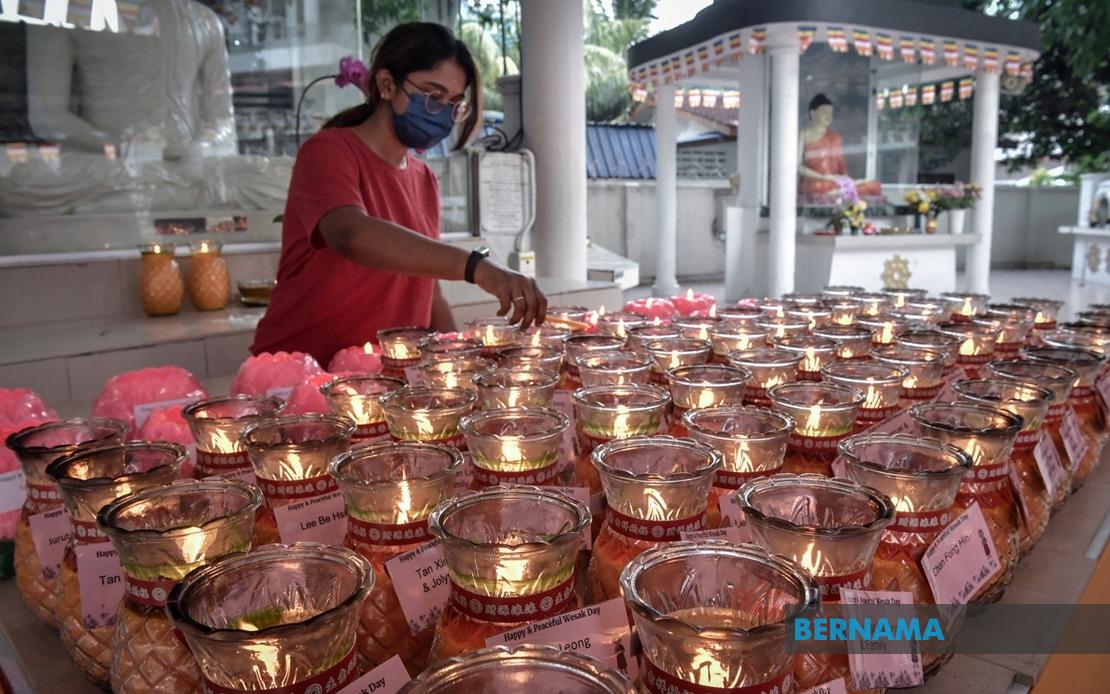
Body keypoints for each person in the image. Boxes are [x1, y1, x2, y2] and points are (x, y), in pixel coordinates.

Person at [251, 22, 546, 365]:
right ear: (387, 85)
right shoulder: (328, 151)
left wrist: (461, 363)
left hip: (386, 377)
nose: (443, 114)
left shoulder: (424, 179)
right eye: (433, 96)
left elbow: (429, 294)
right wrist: (478, 268)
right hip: (298, 373)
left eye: (453, 103)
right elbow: (350, 234)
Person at [798, 93, 883, 201]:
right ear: (813, 113)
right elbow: (797, 167)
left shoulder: (835, 138)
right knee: (819, 187)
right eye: (824, 112)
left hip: (834, 183)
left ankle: (839, 193)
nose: (828, 116)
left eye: (831, 113)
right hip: (814, 184)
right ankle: (837, 194)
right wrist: (823, 177)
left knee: (874, 185)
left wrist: (853, 182)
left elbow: (842, 171)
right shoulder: (804, 135)